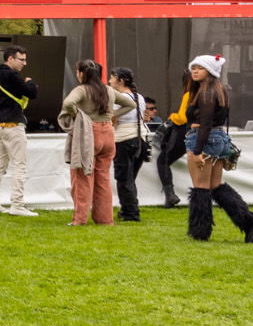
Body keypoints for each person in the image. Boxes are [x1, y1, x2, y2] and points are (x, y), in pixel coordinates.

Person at [183, 54, 253, 244]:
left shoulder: (205, 93)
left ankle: (200, 232)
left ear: (210, 71)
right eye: (193, 67)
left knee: (201, 188)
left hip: (204, 140)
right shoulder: (220, 90)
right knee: (215, 186)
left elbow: (205, 124)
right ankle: (249, 220)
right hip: (219, 139)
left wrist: (197, 152)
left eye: (199, 68)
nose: (194, 71)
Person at [61, 59, 135, 227]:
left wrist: (75, 116)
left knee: (82, 178)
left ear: (81, 74)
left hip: (89, 135)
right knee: (102, 179)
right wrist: (112, 114)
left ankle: (79, 220)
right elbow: (130, 104)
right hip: (107, 134)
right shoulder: (108, 90)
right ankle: (105, 220)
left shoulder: (81, 89)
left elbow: (68, 103)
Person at [0, 45, 39, 217]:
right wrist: (30, 82)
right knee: (19, 165)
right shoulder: (10, 74)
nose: (25, 63)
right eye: (21, 59)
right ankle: (17, 204)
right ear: (10, 59)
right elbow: (32, 93)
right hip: (13, 125)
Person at [109, 68, 148, 222]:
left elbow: (114, 120)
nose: (109, 81)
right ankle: (128, 209)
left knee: (124, 178)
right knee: (130, 178)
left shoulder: (119, 98)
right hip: (140, 140)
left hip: (124, 140)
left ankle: (131, 213)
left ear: (121, 81)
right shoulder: (140, 97)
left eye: (112, 78)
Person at [156, 72, 192, 208]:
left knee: (162, 161)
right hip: (192, 133)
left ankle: (170, 195)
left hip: (181, 132)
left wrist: (173, 116)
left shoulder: (188, 95)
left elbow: (183, 118)